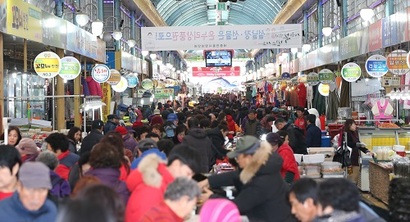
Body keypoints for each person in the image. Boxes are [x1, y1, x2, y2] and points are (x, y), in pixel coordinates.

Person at [199, 136, 294, 222]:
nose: (238, 161)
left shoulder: (262, 180)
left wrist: (212, 198)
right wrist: (208, 181)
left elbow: (238, 206)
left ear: (248, 157)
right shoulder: (263, 166)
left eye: (238, 157)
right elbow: (236, 175)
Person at [125, 144, 201, 222]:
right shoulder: (152, 189)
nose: (189, 179)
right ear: (176, 164)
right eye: (188, 173)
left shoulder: (165, 184)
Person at [342, 119, 372, 184]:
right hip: (349, 160)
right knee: (350, 176)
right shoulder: (346, 134)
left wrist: (367, 151)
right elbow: (348, 144)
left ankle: (352, 189)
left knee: (355, 176)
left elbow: (359, 145)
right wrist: (357, 144)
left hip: (355, 159)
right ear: (350, 125)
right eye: (354, 124)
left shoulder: (354, 133)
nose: (355, 126)